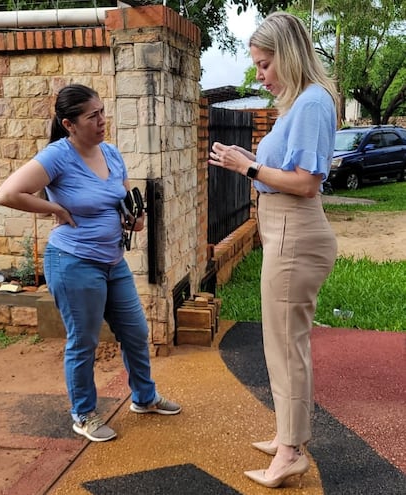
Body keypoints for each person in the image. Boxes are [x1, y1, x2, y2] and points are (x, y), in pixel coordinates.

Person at [0, 84, 181, 442]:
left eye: (102, 112)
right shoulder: (57, 156)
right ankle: (83, 415)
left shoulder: (110, 153)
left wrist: (133, 219)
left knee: (136, 332)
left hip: (113, 261)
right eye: (92, 116)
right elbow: (8, 193)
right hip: (74, 262)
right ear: (69, 124)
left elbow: (124, 198)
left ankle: (144, 398)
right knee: (84, 342)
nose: (101, 121)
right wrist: (55, 208)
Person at [208, 12, 338, 489]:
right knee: (282, 344)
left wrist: (248, 168)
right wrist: (248, 164)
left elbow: (305, 183)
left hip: (297, 234)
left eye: (264, 64)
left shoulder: (311, 104)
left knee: (287, 347)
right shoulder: (299, 102)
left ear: (287, 54)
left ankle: (290, 452)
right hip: (287, 232)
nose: (259, 75)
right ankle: (288, 436)